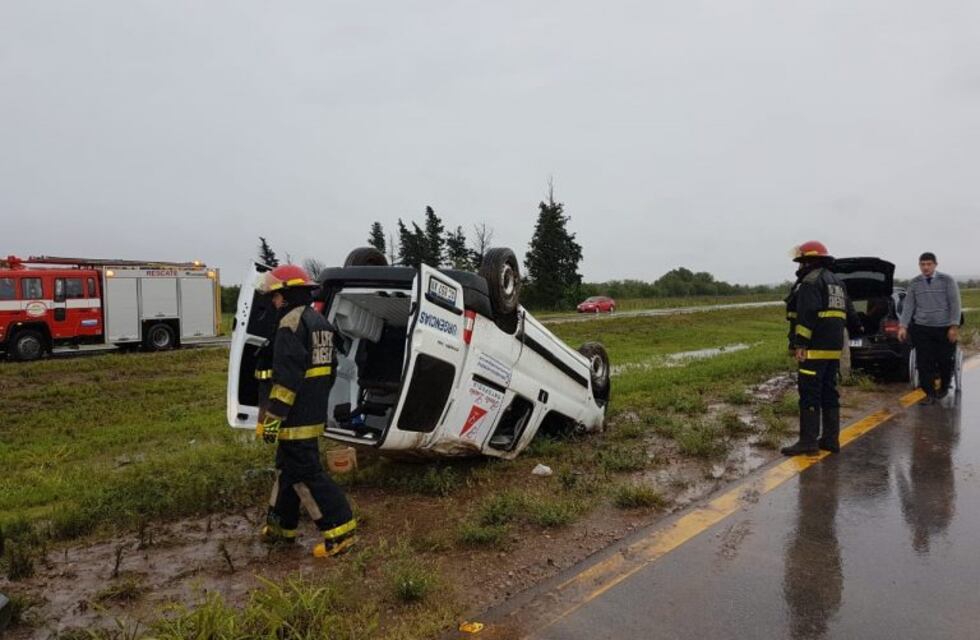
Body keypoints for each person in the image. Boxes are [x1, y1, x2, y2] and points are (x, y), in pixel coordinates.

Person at [254, 264, 357, 558]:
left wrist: (271, 422)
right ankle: (279, 528)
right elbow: (331, 370)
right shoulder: (320, 322)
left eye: (274, 297)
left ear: (285, 296)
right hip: (311, 413)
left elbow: (286, 380)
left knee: (307, 474)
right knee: (287, 471)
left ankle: (342, 532)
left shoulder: (290, 323)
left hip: (292, 418)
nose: (272, 302)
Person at [782, 241, 860, 456]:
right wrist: (860, 329)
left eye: (801, 262)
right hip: (833, 349)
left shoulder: (810, 282)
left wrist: (800, 344)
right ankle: (830, 440)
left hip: (813, 349)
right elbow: (851, 313)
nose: (799, 267)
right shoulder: (837, 282)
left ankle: (808, 441)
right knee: (829, 393)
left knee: (809, 393)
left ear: (808, 261)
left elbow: (807, 315)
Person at [898, 252, 961, 404]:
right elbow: (908, 307)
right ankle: (929, 393)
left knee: (944, 360)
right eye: (922, 264)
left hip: (943, 327)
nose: (925, 267)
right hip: (922, 328)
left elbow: (955, 304)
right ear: (919, 265)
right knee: (924, 362)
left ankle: (944, 387)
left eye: (928, 264)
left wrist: (953, 326)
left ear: (935, 265)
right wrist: (903, 326)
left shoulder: (947, 281)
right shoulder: (914, 283)